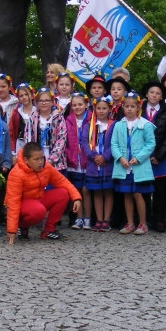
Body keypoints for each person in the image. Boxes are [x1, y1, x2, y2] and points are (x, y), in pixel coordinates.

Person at [5, 141, 82, 242]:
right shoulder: (16, 174)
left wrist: (76, 198)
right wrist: (11, 230)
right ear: (26, 160)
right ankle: (22, 227)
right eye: (36, 159)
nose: (40, 162)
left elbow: (62, 181)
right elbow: (13, 202)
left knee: (63, 193)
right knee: (39, 210)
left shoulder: (46, 167)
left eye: (41, 158)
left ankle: (49, 230)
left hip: (38, 200)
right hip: (22, 204)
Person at [111, 91, 156, 235]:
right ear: (123, 107)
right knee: (127, 195)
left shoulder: (145, 124)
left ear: (138, 108)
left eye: (132, 106)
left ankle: (143, 223)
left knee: (138, 194)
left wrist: (139, 158)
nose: (129, 109)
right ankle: (130, 222)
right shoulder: (119, 125)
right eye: (127, 106)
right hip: (124, 166)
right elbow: (114, 144)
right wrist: (120, 158)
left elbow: (150, 144)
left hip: (138, 165)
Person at [142, 81, 166, 232]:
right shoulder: (139, 109)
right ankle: (144, 219)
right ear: (146, 94)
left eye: (157, 93)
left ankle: (159, 219)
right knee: (143, 191)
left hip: (160, 158)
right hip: (141, 158)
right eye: (152, 92)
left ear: (162, 96)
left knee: (160, 192)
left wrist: (159, 155)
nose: (154, 95)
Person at [84, 96, 115, 232]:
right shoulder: (89, 125)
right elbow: (84, 142)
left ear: (109, 109)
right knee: (96, 192)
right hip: (94, 164)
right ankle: (99, 219)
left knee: (108, 191)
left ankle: (106, 219)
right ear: (94, 109)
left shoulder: (114, 125)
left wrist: (106, 156)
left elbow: (116, 143)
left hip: (108, 164)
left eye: (104, 108)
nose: (101, 111)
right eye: (99, 108)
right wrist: (94, 156)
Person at [64, 92, 90, 229]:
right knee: (77, 190)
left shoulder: (91, 119)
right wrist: (69, 153)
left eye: (80, 104)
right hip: (73, 160)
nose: (77, 107)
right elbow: (65, 140)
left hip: (87, 159)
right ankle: (79, 218)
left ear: (86, 105)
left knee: (87, 189)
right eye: (74, 105)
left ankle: (88, 217)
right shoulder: (68, 120)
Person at [24, 88, 67, 170]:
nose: (44, 103)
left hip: (56, 163)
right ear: (36, 103)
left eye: (47, 100)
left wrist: (52, 160)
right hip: (36, 160)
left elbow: (62, 139)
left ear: (52, 102)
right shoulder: (32, 117)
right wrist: (33, 157)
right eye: (41, 100)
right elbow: (28, 137)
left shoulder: (58, 117)